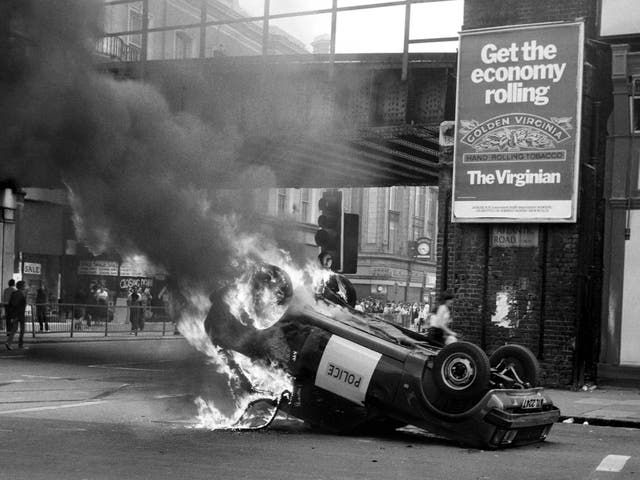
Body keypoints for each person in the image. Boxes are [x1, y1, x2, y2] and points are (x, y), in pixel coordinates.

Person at [6, 280, 27, 350]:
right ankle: (20, 345)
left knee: (14, 329)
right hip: (20, 314)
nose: (25, 286)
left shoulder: (14, 293)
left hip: (15, 314)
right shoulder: (21, 294)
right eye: (24, 285)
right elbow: (17, 304)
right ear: (21, 286)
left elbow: (10, 304)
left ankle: (9, 342)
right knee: (22, 330)